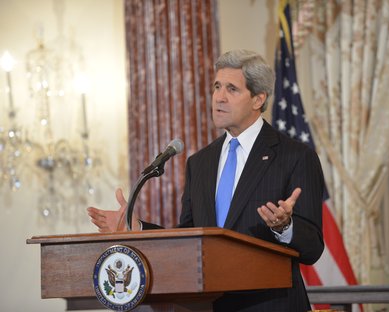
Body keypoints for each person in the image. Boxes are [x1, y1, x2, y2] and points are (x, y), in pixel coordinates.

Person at [87, 49, 325, 312]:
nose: (219, 98)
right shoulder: (200, 162)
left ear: (258, 99)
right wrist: (139, 228)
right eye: (217, 86)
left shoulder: (295, 156)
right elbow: (189, 239)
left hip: (270, 305)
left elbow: (313, 247)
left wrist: (285, 227)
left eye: (232, 89)